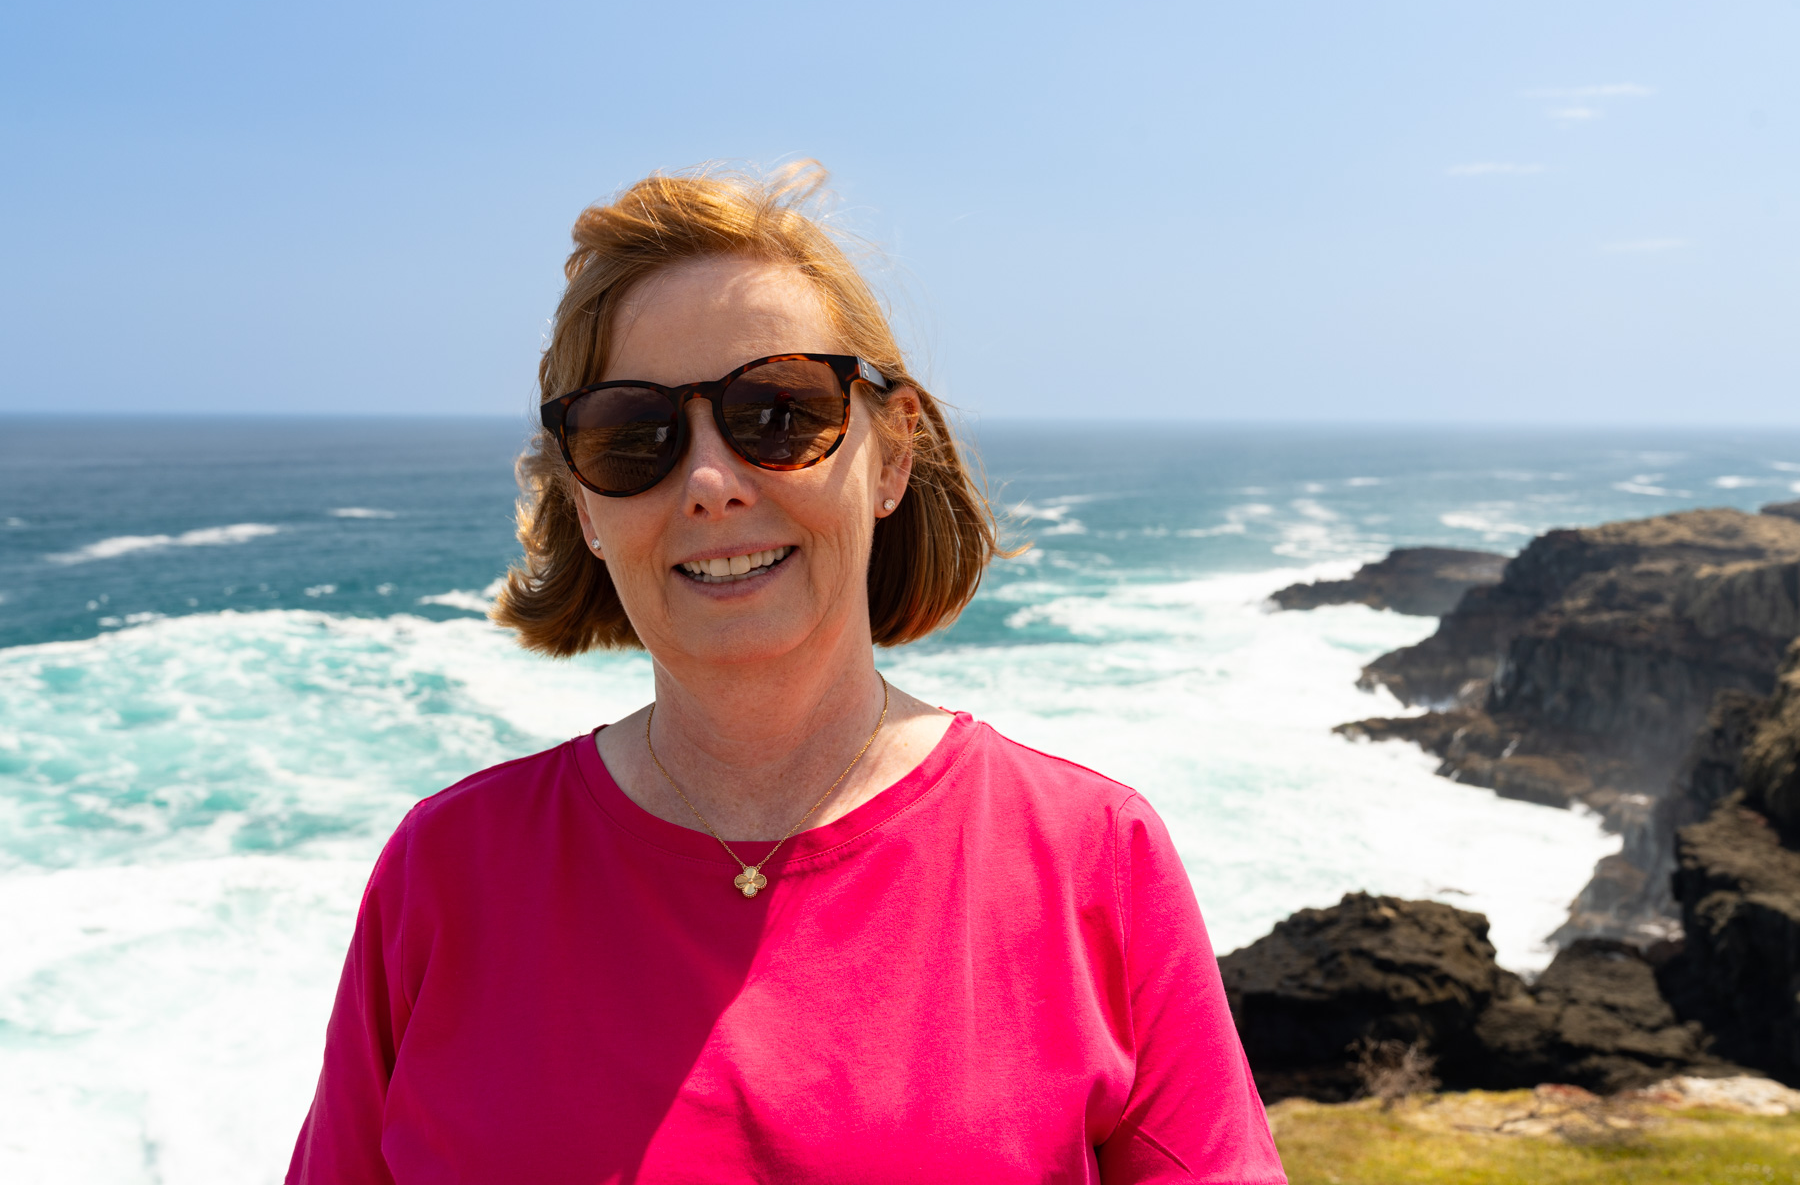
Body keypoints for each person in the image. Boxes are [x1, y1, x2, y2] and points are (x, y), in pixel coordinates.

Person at [287, 164, 1285, 1184]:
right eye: (634, 436)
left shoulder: (1091, 860)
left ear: (892, 453)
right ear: (585, 506)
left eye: (779, 411)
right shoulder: (445, 877)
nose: (712, 483)